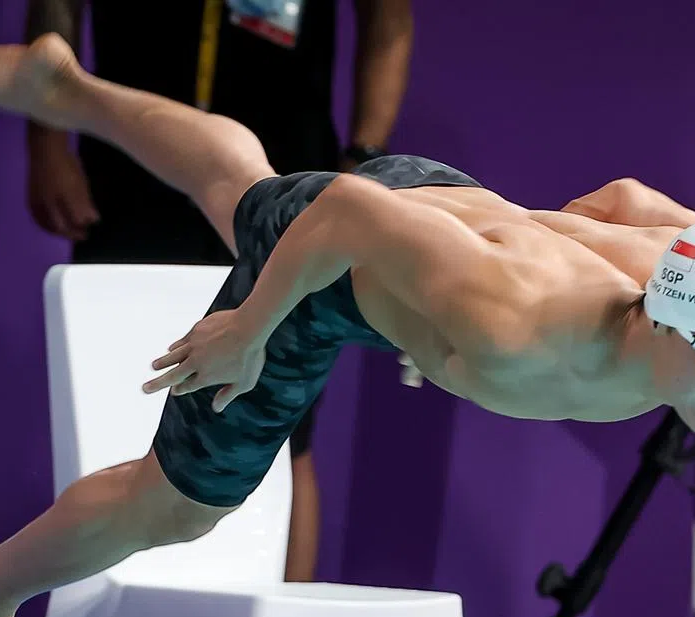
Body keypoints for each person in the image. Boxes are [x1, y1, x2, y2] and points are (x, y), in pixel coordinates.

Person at [0, 33, 695, 617]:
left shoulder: (689, 268)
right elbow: (343, 210)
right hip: (336, 265)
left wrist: (480, 270)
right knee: (180, 505)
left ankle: (63, 84)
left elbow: (624, 198)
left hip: (434, 227)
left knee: (237, 187)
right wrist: (250, 328)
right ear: (668, 323)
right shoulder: (516, 321)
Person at [24, 0, 414, 584]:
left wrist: (363, 158)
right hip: (130, 165)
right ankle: (47, 613)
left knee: (285, 432)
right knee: (111, 407)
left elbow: (390, 18)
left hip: (285, 153)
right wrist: (48, 136)